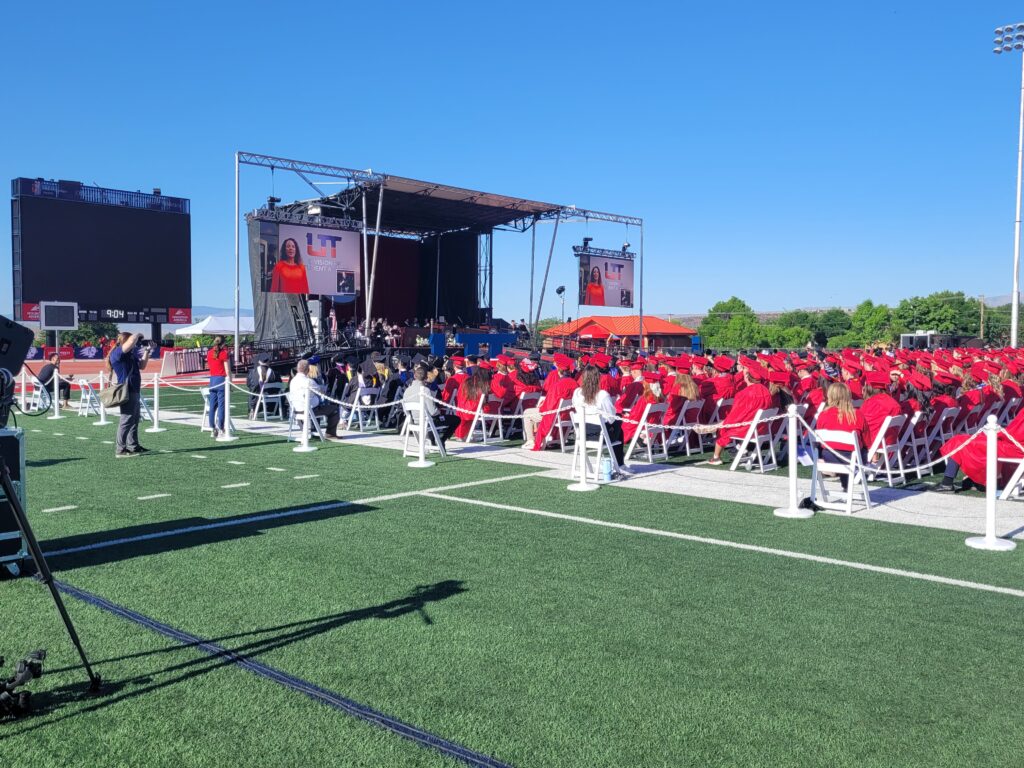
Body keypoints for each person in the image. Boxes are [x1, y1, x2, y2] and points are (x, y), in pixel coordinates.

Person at [707, 363, 772, 465]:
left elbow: (736, 415)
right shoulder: (766, 391)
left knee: (724, 430)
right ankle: (742, 448)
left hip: (747, 428)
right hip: (762, 427)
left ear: (747, 377)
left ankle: (716, 457)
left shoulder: (744, 393)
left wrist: (724, 423)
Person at [813, 382, 870, 490]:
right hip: (853, 458)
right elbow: (867, 440)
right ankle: (846, 486)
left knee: (836, 448)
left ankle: (844, 485)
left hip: (829, 456)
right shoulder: (857, 414)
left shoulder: (823, 415)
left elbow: (819, 440)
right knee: (859, 450)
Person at [572, 365, 629, 473]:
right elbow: (611, 418)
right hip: (600, 435)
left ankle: (619, 463)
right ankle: (620, 463)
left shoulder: (577, 393)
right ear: (598, 378)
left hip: (581, 433)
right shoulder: (602, 395)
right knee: (618, 425)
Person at [107, 332, 152, 457]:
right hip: (127, 390)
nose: (136, 344)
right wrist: (138, 334)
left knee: (134, 419)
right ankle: (120, 449)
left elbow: (142, 366)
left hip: (134, 389)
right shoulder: (117, 353)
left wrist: (147, 350)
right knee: (126, 420)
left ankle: (133, 446)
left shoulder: (130, 354)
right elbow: (131, 341)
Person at [403, 363, 458, 449]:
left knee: (433, 418)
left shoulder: (407, 391)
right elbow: (433, 412)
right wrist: (439, 411)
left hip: (414, 422)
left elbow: (405, 410)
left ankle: (434, 440)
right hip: (427, 422)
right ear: (426, 377)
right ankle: (442, 440)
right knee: (456, 419)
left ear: (414, 375)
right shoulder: (425, 390)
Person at [290, 359, 341, 439]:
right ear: (308, 370)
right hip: (310, 410)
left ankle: (312, 429)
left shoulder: (293, 381)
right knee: (334, 409)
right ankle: (330, 433)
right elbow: (322, 392)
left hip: (296, 410)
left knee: (316, 403)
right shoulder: (309, 381)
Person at [206, 336, 231, 438]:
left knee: (212, 406)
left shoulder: (209, 353)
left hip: (212, 380)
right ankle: (221, 427)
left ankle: (212, 428)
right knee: (221, 406)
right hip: (221, 380)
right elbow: (227, 370)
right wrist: (230, 382)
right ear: (223, 343)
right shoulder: (224, 353)